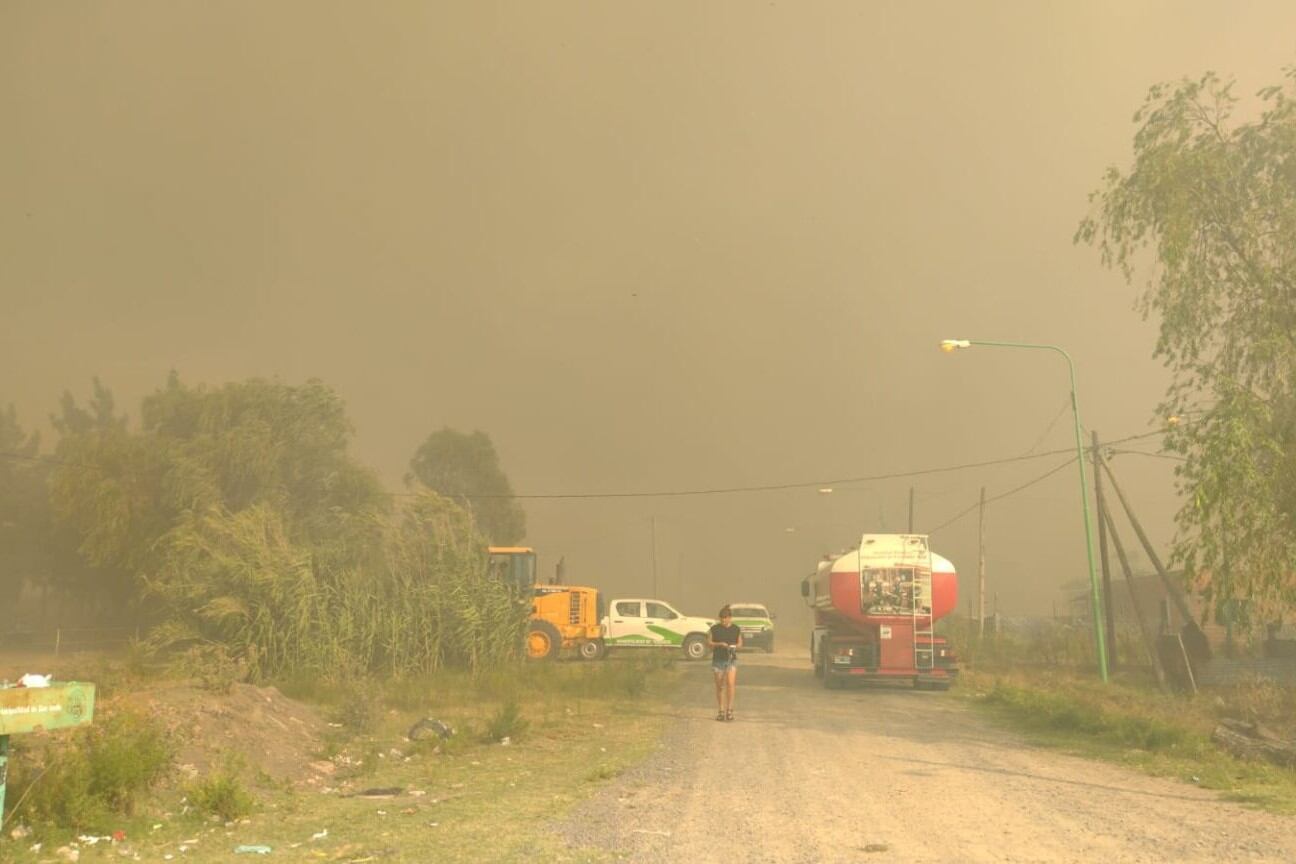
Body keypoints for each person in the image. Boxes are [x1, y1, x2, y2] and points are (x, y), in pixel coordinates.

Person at [708, 606, 742, 721]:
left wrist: (734, 646)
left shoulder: (736, 629)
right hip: (718, 660)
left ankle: (730, 710)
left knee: (730, 684)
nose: (723, 620)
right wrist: (719, 644)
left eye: (726, 618)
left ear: (730, 618)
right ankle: (721, 710)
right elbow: (709, 642)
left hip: (731, 660)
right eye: (721, 618)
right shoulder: (714, 629)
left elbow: (740, 643)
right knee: (720, 686)